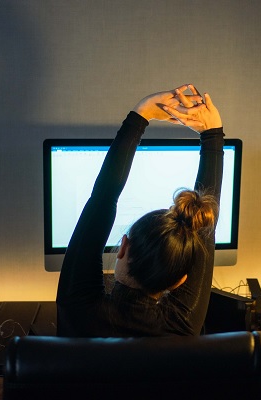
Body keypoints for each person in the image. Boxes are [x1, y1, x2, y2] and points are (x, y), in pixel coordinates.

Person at [56, 84, 225, 337]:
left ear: (123, 247)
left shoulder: (77, 306)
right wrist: (212, 134)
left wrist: (141, 113)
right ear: (181, 280)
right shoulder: (184, 323)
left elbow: (102, 198)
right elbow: (205, 222)